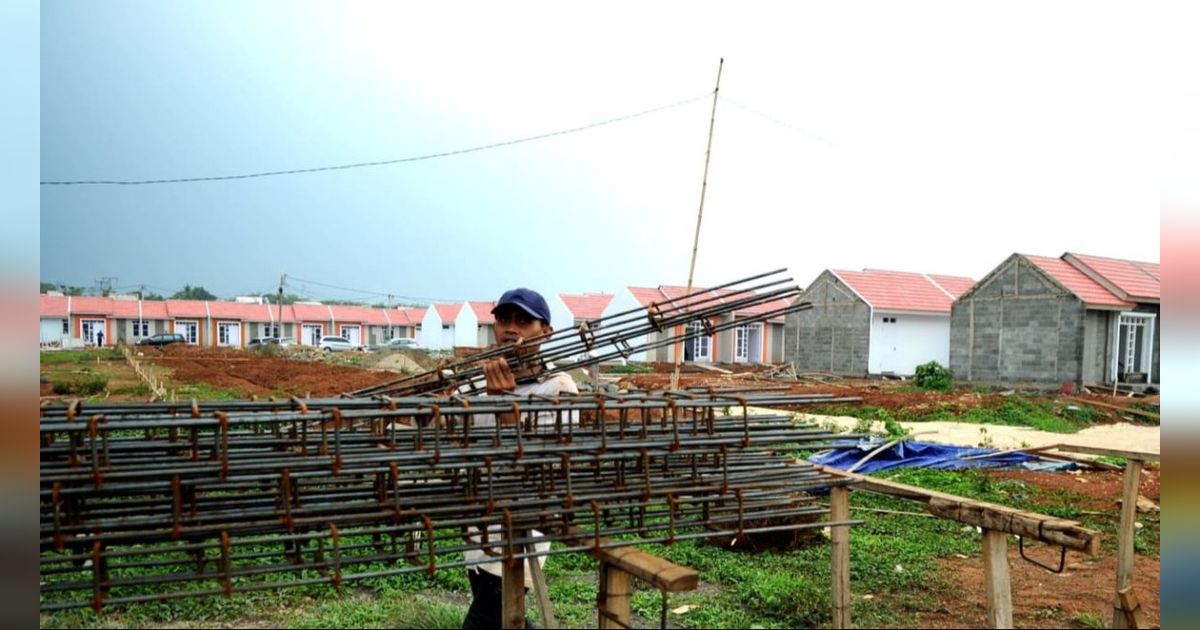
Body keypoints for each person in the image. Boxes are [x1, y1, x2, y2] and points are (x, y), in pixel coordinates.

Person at [461, 288, 578, 630]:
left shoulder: (558, 388)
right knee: (504, 620)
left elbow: (545, 468)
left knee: (485, 620)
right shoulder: (476, 381)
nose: (511, 328)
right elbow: (450, 428)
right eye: (504, 319)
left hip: (520, 530)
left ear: (546, 332)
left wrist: (506, 404)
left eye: (524, 321)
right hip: (478, 525)